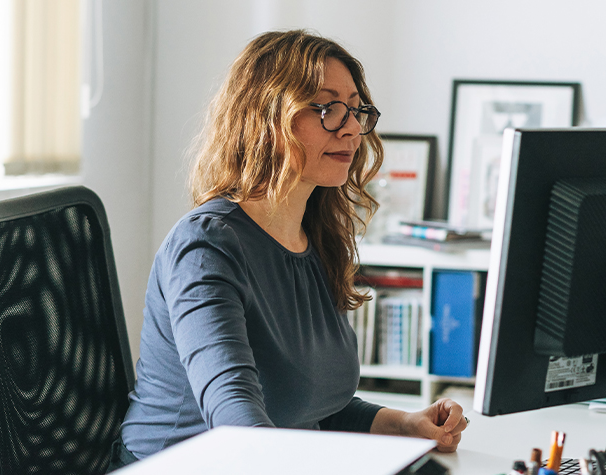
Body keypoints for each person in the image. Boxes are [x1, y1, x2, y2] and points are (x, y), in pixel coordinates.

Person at [108, 30, 468, 470]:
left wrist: (405, 425)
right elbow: (236, 423)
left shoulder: (315, 237)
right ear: (266, 116)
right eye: (329, 108)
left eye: (355, 109)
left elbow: (309, 407)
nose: (353, 127)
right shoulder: (204, 246)